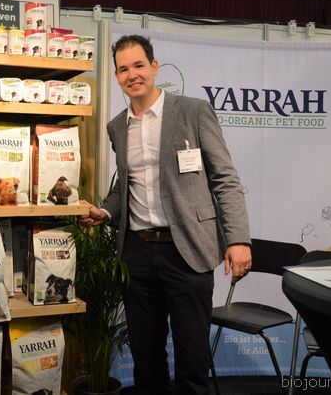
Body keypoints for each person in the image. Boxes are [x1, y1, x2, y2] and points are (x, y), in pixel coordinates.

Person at [79, 35, 252, 394]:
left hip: (187, 250)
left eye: (138, 65)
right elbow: (124, 186)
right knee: (146, 357)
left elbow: (225, 179)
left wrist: (237, 239)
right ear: (117, 76)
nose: (132, 75)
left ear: (154, 67)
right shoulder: (117, 127)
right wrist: (105, 211)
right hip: (137, 254)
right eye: (123, 69)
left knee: (192, 358)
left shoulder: (193, 111)